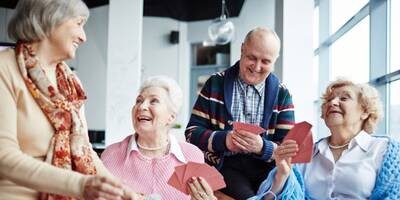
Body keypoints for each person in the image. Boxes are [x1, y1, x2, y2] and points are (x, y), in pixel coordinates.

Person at [0, 0, 139, 199]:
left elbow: (86, 151)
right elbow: (3, 157)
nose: (83, 37)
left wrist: (126, 193)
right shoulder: (4, 68)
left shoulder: (71, 82)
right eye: (79, 24)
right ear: (49, 18)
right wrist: (81, 184)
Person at [185, 27, 296, 199]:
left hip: (267, 170)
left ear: (275, 60)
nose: (257, 67)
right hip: (226, 167)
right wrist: (225, 140)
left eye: (265, 61)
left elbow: (289, 151)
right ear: (242, 49)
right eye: (252, 57)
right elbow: (191, 133)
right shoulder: (215, 83)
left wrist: (262, 147)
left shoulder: (283, 95)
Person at [252, 78, 400, 200]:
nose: (332, 102)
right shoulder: (304, 155)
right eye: (329, 100)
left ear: (365, 112)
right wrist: (282, 175)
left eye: (344, 98)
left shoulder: (386, 151)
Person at [101, 76, 217, 200]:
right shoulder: (111, 154)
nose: (142, 107)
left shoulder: (192, 155)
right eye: (139, 101)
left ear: (171, 117)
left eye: (154, 101)